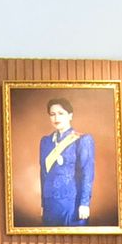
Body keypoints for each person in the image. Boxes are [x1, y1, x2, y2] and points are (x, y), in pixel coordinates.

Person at [38, 95, 95, 226]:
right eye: (52, 114)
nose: (56, 118)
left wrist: (85, 203)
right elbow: (43, 175)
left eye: (61, 113)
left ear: (70, 115)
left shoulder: (82, 140)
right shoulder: (46, 142)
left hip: (72, 204)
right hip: (50, 204)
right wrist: (43, 204)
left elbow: (87, 173)